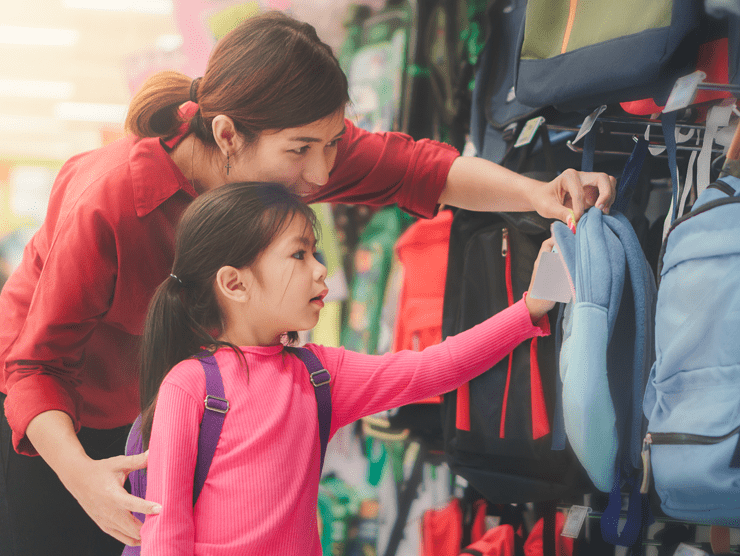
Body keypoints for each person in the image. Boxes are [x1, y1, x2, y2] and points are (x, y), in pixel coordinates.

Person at [0, 10, 615, 555]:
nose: (320, 173)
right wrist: (83, 478)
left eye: (332, 145)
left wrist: (538, 195)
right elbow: (34, 368)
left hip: (157, 405)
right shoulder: (110, 204)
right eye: (302, 150)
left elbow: (417, 168)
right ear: (226, 136)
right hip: (55, 424)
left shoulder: (286, 161)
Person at [138, 182, 556, 554]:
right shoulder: (190, 386)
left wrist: (529, 310)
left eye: (315, 253)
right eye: (299, 255)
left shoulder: (320, 375)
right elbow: (166, 533)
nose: (322, 269)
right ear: (234, 283)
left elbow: (434, 367)